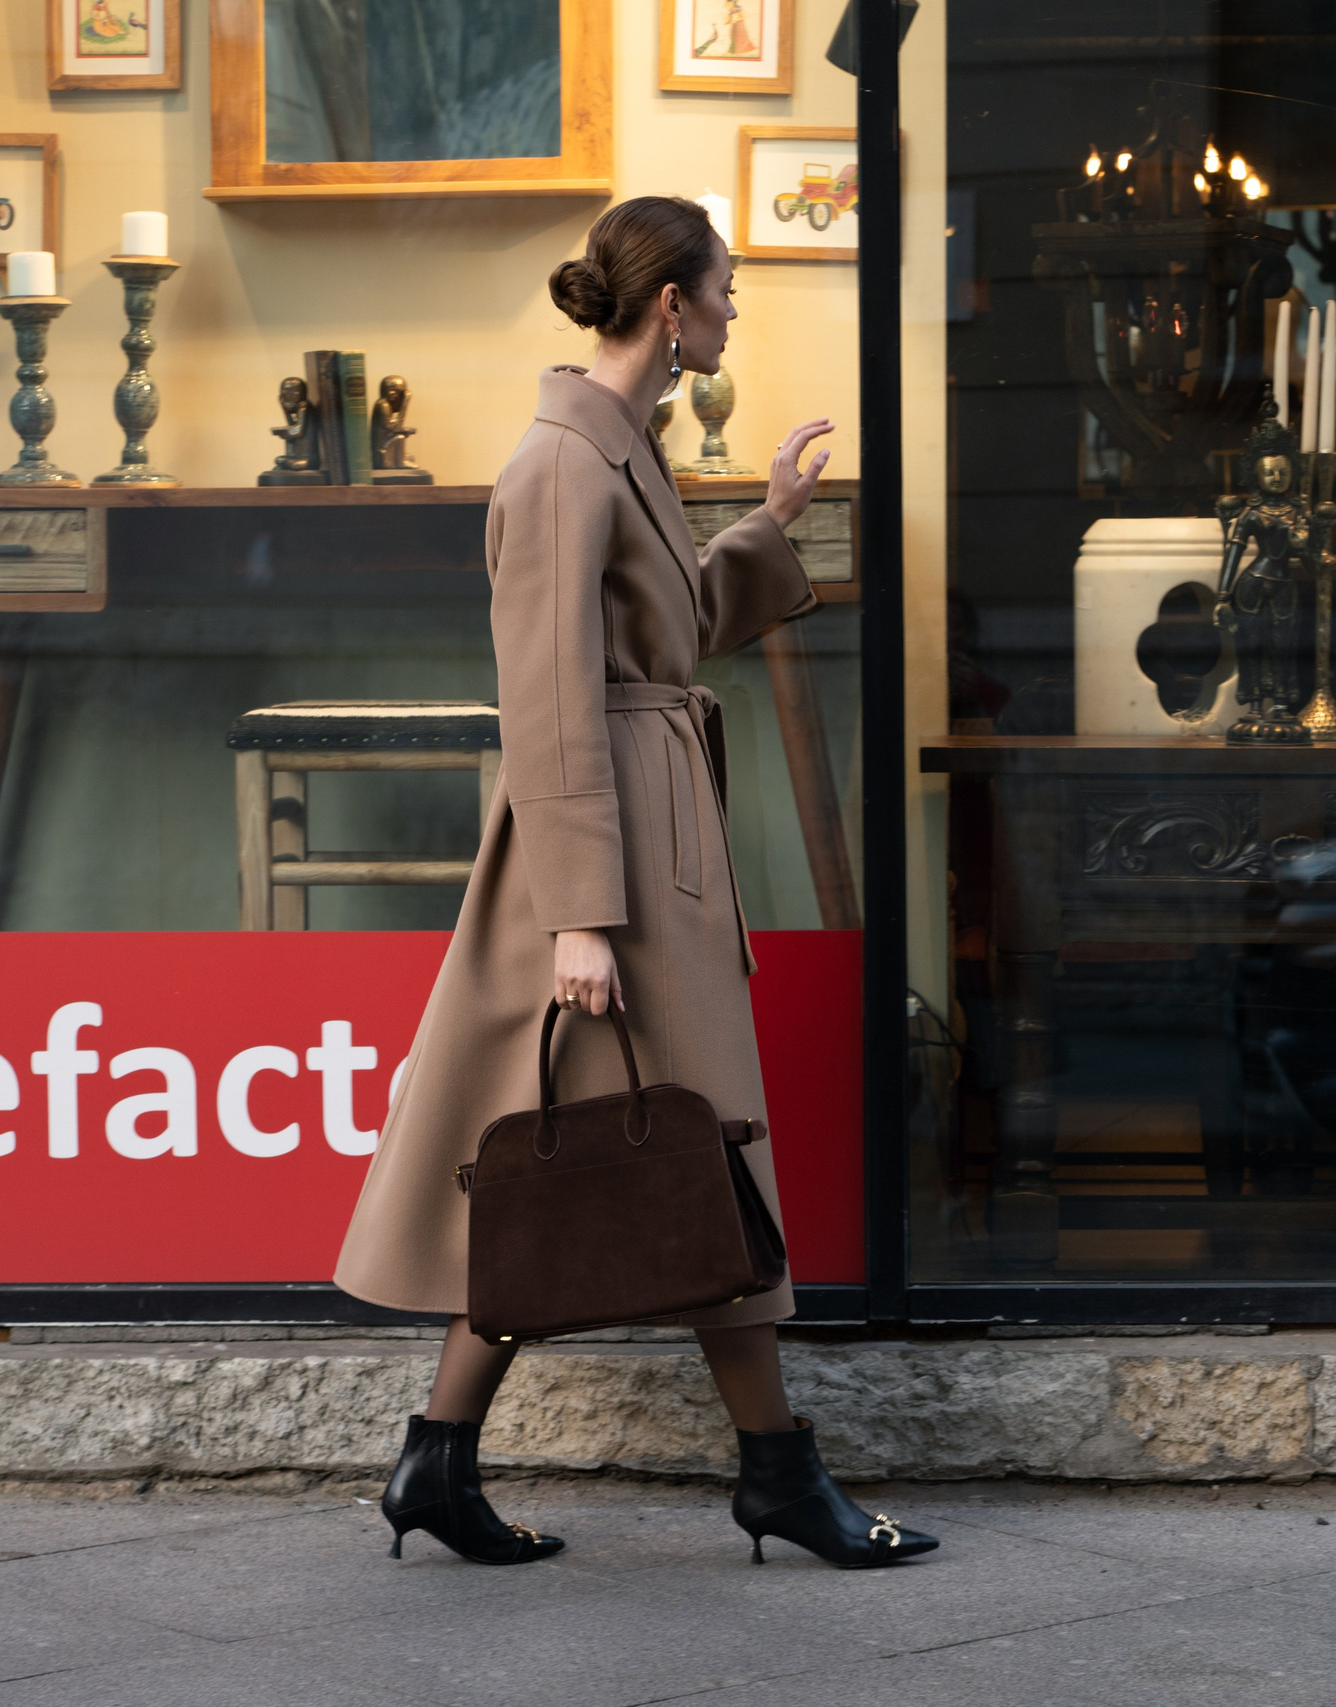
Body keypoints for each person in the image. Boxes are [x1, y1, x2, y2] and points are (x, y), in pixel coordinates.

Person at [333, 196, 938, 1572]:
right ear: (673, 305)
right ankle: (778, 1472)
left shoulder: (618, 452)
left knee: (646, 1163)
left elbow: (668, 641)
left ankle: (438, 1458)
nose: (734, 315)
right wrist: (582, 918)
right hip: (603, 860)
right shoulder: (562, 464)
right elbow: (545, 703)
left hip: (640, 833)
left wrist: (768, 523)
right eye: (724, 293)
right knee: (693, 1150)